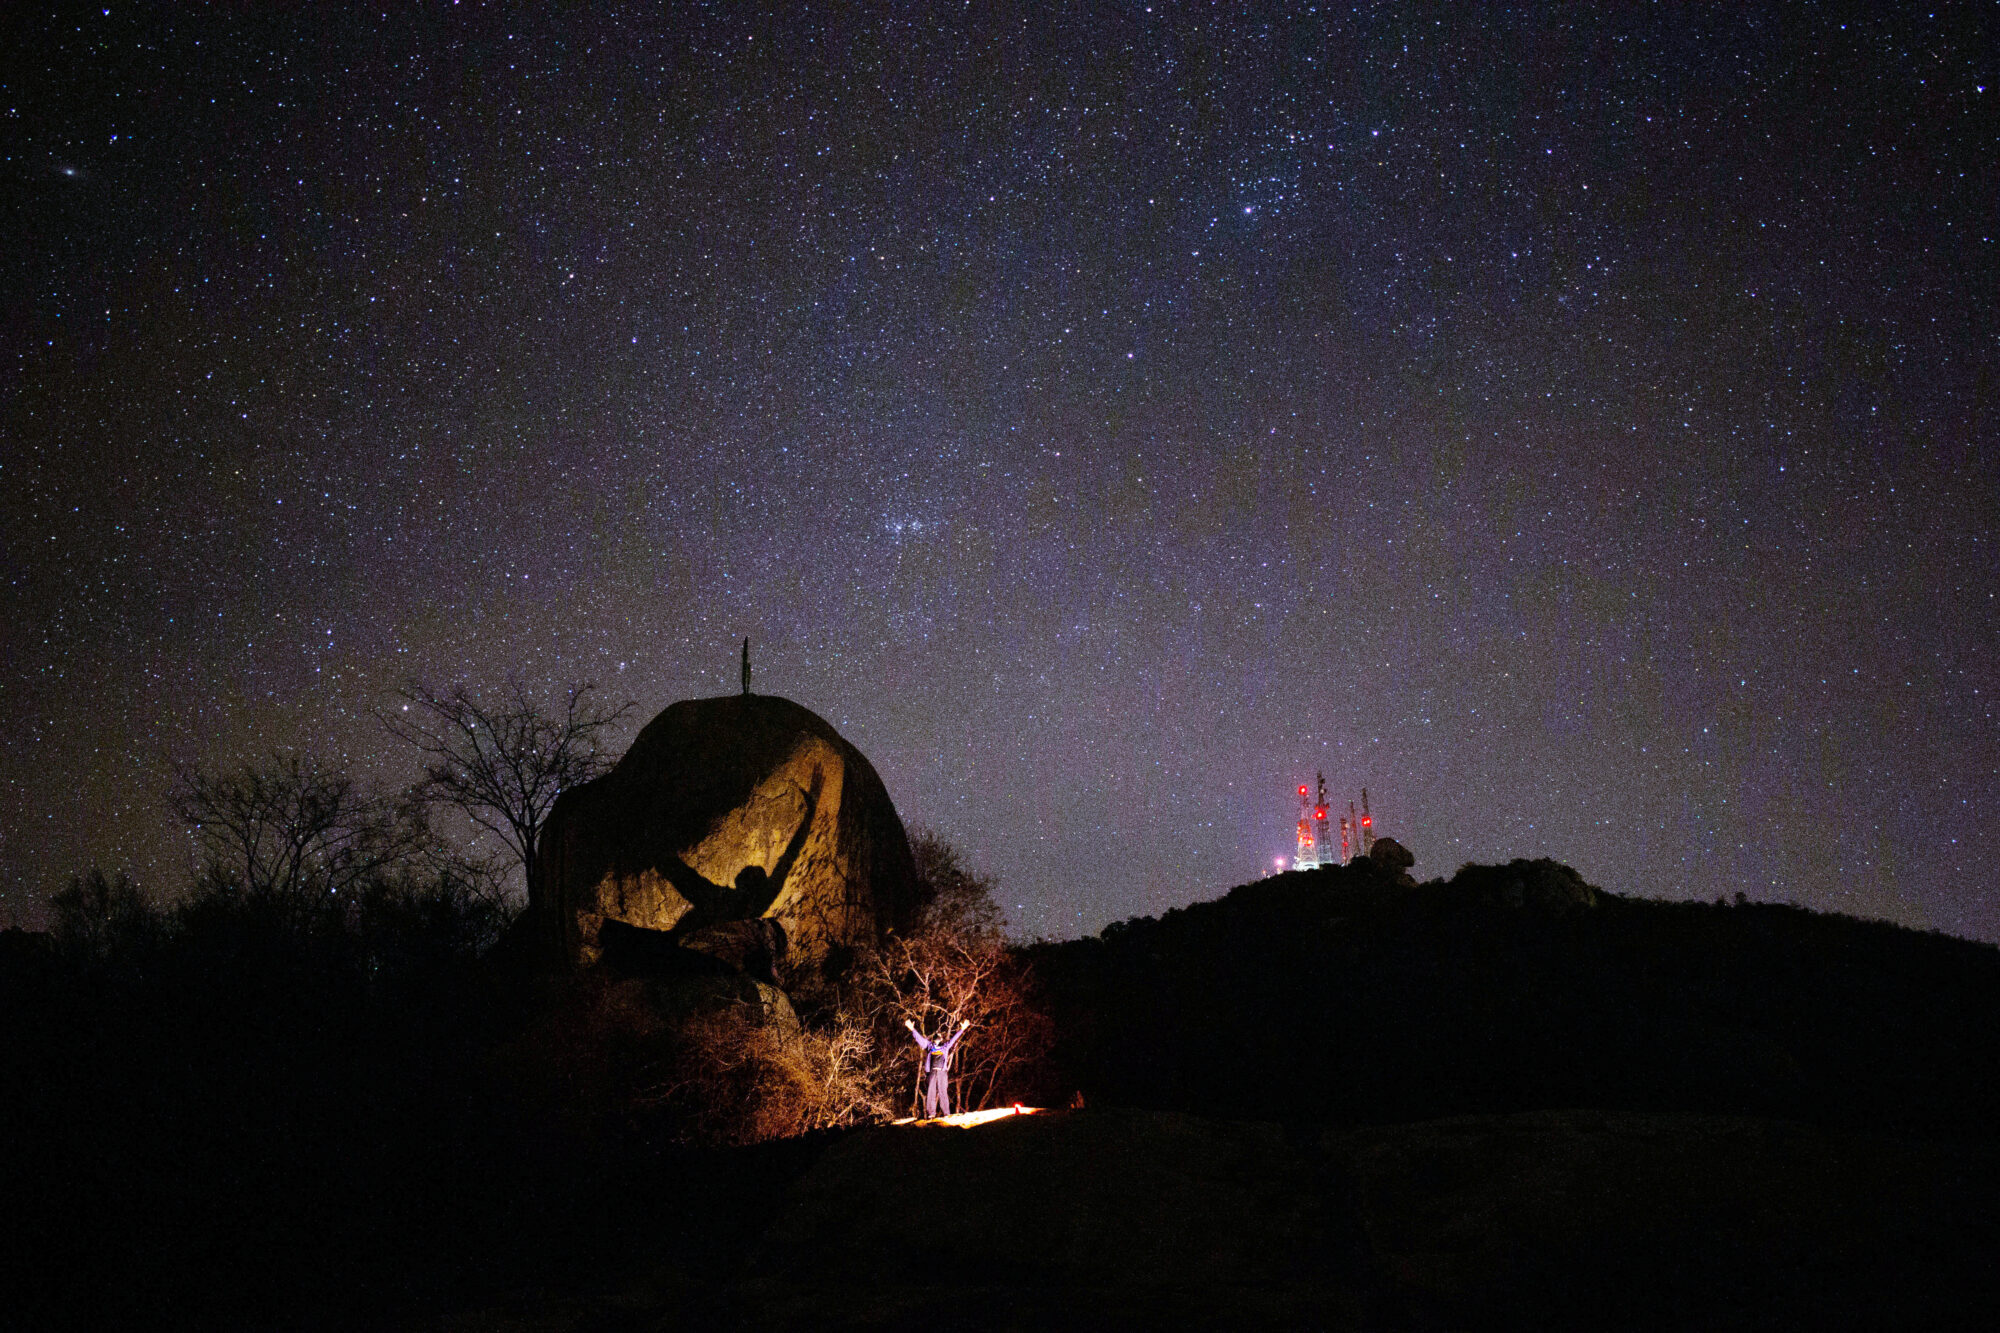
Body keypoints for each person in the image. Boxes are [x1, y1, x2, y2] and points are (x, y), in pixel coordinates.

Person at [905, 1017, 970, 1119]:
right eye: (936, 1036)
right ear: (934, 1038)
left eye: (939, 1036)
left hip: (942, 1072)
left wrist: (962, 1029)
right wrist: (912, 1029)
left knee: (943, 1091)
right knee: (931, 1092)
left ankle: (946, 1113)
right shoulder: (929, 1046)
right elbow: (920, 1039)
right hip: (932, 1072)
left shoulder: (945, 1047)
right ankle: (931, 1113)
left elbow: (954, 1039)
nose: (937, 1037)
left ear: (941, 1038)